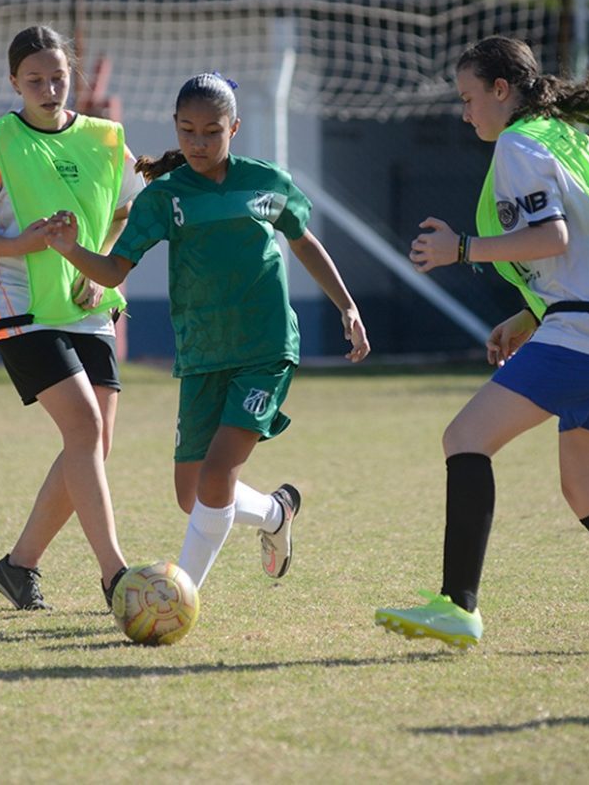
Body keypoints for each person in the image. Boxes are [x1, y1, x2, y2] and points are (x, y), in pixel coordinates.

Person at [375, 36, 589, 652]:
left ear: (502, 90)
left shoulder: (520, 144)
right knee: (587, 490)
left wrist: (463, 248)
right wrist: (530, 316)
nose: (466, 111)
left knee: (465, 439)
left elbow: (550, 237)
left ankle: (457, 608)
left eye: (470, 96)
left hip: (587, 335)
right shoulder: (578, 145)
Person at [43, 71, 370, 592]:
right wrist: (69, 250)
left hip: (265, 348)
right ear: (175, 126)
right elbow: (113, 271)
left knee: (217, 477)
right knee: (191, 493)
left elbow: (303, 241)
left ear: (234, 128)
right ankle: (274, 513)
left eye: (212, 131)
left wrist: (347, 306)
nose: (198, 142)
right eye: (188, 130)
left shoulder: (264, 184)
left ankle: (178, 595)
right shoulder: (165, 198)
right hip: (201, 354)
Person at [0, 25, 140, 611]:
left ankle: (18, 566)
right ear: (14, 82)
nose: (49, 87)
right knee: (83, 429)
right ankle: (116, 575)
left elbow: (131, 206)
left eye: (58, 76)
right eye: (34, 79)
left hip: (86, 304)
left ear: (71, 76)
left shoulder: (107, 140)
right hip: (18, 303)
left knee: (95, 443)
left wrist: (99, 267)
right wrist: (24, 244)